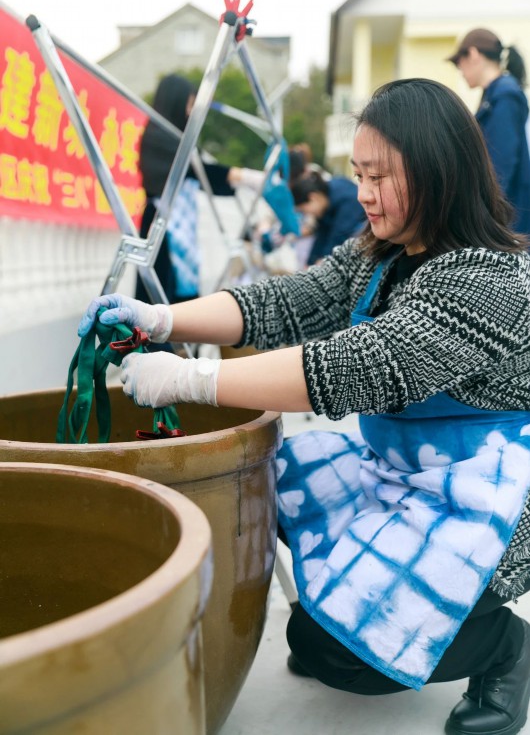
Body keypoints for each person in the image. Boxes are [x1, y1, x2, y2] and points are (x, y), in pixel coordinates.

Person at [79, 78, 530, 735]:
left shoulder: (490, 280)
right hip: (401, 472)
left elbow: (353, 369)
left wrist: (190, 379)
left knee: (352, 661)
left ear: (439, 171)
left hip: (484, 496)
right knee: (307, 618)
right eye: (358, 174)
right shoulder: (382, 251)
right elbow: (282, 305)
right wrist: (159, 316)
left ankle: (503, 646)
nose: (364, 194)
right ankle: (370, 620)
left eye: (381, 176)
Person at [136, 73, 256, 305]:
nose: (191, 111)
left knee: (181, 294)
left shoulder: (179, 140)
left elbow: (204, 177)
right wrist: (243, 176)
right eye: (189, 104)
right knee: (159, 299)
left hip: (180, 227)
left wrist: (239, 179)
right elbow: (199, 170)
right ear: (175, 102)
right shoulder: (158, 138)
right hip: (161, 228)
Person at [448, 27, 530, 234]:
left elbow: (501, 164)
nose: (461, 71)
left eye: (460, 63)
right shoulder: (495, 95)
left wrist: (488, 218)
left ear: (473, 54)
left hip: (508, 219)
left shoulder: (504, 96)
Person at [290, 171, 366, 265]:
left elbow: (338, 236)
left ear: (313, 197)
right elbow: (322, 235)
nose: (306, 214)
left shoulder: (346, 200)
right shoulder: (325, 200)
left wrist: (323, 261)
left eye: (304, 210)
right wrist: (310, 263)